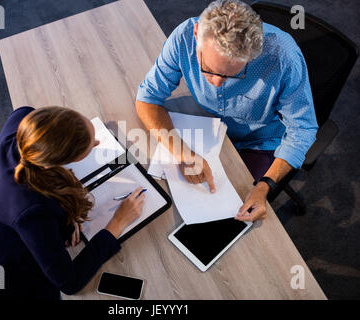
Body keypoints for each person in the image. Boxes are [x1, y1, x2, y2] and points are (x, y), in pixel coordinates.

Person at [136, 0, 318, 222]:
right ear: (196, 34)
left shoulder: (283, 57)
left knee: (230, 218)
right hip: (206, 125)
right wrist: (182, 152)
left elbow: (303, 129)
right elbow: (148, 98)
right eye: (209, 69)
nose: (217, 83)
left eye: (232, 74)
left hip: (259, 141)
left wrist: (265, 185)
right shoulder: (184, 37)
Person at [0, 106, 145, 299]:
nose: (98, 142)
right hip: (12, 268)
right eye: (91, 146)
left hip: (3, 222)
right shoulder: (33, 212)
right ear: (58, 162)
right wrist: (118, 222)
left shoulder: (22, 117)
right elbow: (70, 282)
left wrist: (65, 211)